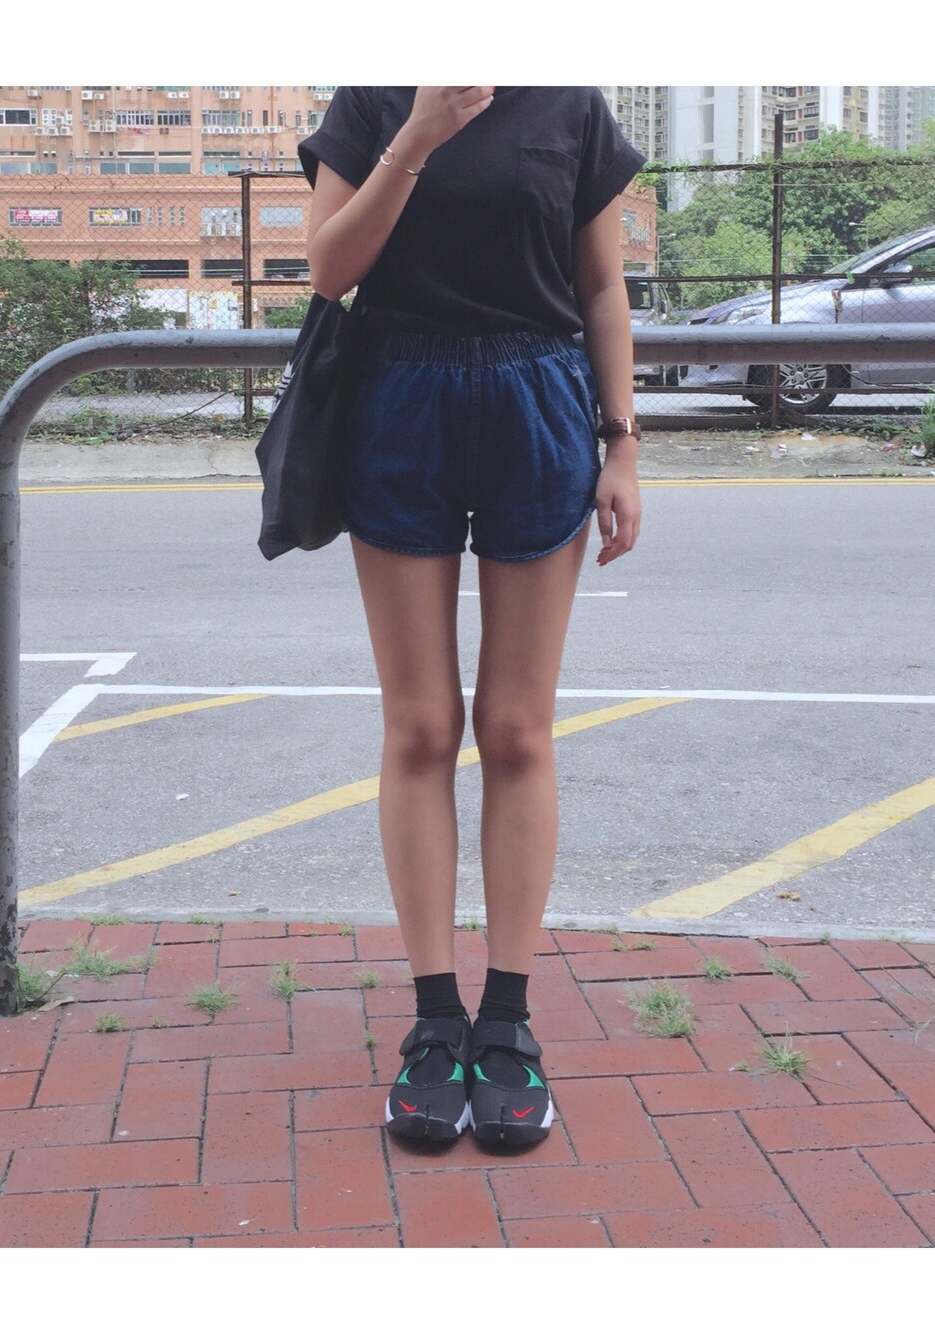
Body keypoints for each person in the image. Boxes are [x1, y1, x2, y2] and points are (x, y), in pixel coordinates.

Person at [300, 86, 644, 1148]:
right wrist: (418, 132)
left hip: (539, 401)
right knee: (417, 727)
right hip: (398, 400)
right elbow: (328, 270)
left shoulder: (568, 104)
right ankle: (434, 1018)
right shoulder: (372, 98)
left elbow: (601, 283)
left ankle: (507, 1019)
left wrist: (623, 443)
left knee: (516, 729)